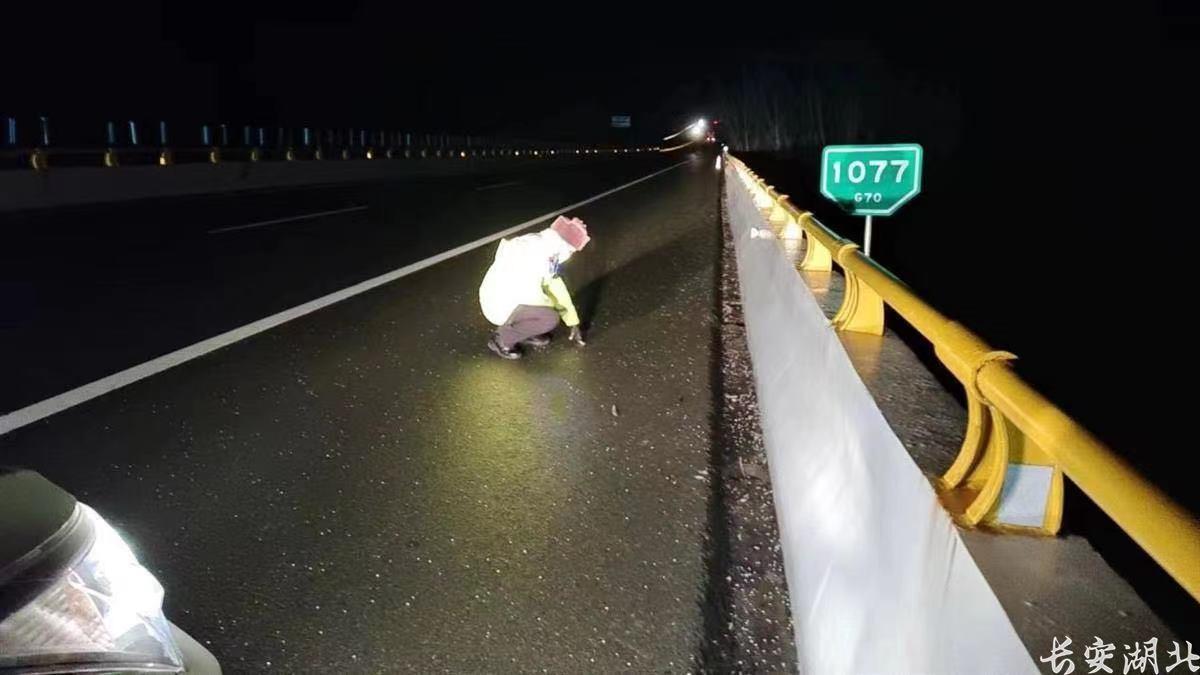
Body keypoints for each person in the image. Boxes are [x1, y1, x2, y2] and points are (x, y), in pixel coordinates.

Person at [478, 215, 590, 359]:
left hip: (502, 298)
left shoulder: (544, 247)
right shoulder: (536, 255)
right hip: (498, 305)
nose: (570, 254)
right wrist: (549, 313)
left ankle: (521, 332)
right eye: (570, 250)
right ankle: (501, 339)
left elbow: (556, 288)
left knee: (545, 312)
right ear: (563, 245)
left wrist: (573, 321)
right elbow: (532, 296)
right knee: (548, 318)